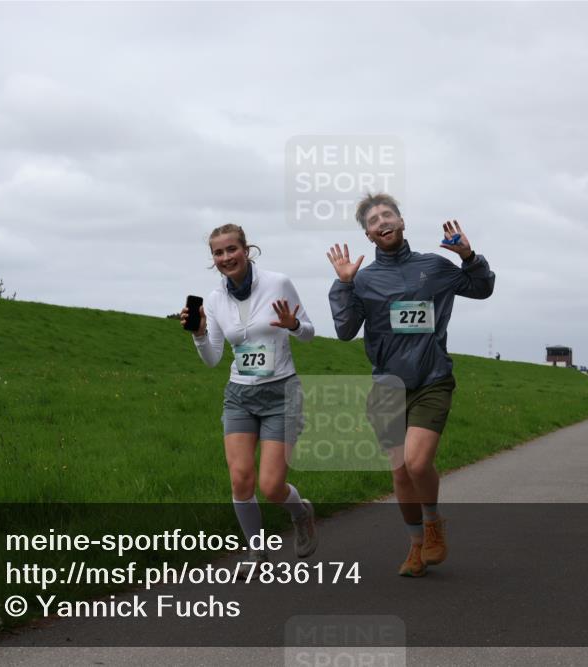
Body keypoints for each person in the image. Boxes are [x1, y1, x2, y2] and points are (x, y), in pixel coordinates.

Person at [326, 193, 495, 577]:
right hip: (386, 386)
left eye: (388, 214)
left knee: (418, 462)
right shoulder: (364, 280)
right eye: (373, 220)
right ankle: (417, 545)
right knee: (400, 472)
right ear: (368, 234)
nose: (382, 221)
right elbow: (345, 330)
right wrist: (345, 286)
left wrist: (469, 256)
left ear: (402, 221)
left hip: (432, 378)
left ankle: (434, 524)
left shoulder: (434, 267)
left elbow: (481, 288)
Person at [181, 223, 317, 562]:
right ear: (213, 259)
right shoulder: (214, 300)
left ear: (247, 249)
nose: (226, 257)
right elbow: (213, 358)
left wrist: (294, 326)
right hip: (239, 395)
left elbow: (309, 334)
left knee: (271, 487)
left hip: (280, 393)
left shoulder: (278, 283)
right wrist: (199, 333)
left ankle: (301, 514)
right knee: (241, 479)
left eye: (232, 249)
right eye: (218, 252)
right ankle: (257, 552)